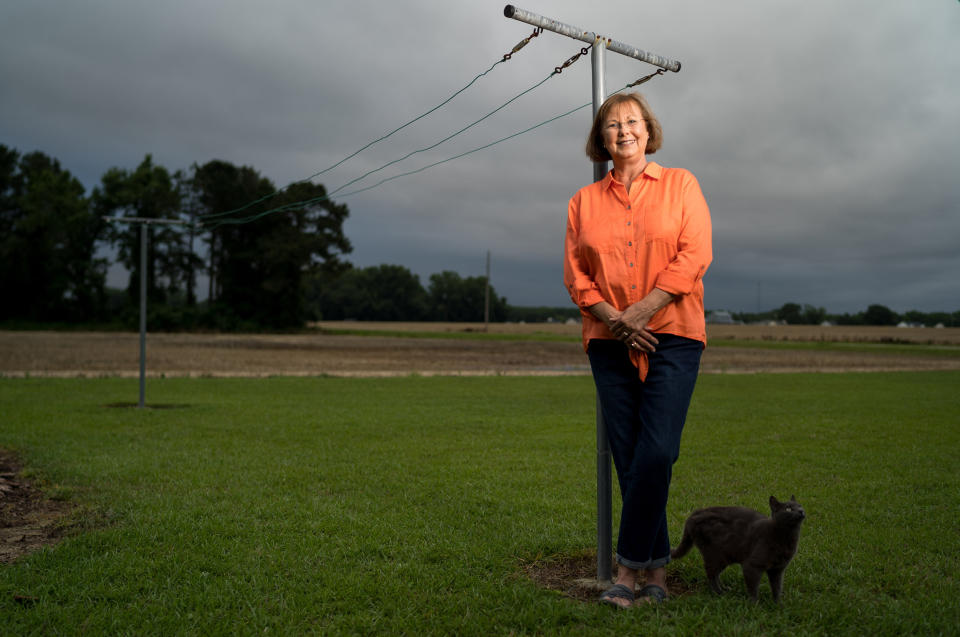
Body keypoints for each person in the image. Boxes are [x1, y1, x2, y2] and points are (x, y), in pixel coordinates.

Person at [563, 92, 712, 607]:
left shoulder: (681, 184)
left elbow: (695, 255)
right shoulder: (582, 202)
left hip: (673, 332)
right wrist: (616, 321)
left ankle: (627, 571)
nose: (622, 130)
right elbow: (576, 276)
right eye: (611, 124)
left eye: (632, 121)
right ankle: (658, 572)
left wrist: (642, 312)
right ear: (600, 139)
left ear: (648, 130)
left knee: (657, 451)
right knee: (629, 458)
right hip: (608, 340)